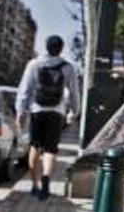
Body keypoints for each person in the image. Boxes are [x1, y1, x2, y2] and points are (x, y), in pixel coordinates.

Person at [16, 35, 81, 200]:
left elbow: (25, 91)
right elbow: (74, 93)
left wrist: (21, 113)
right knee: (50, 150)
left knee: (35, 147)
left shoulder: (34, 64)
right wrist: (74, 112)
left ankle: (35, 185)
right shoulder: (68, 67)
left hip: (37, 110)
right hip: (57, 113)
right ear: (60, 48)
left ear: (46, 47)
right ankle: (46, 179)